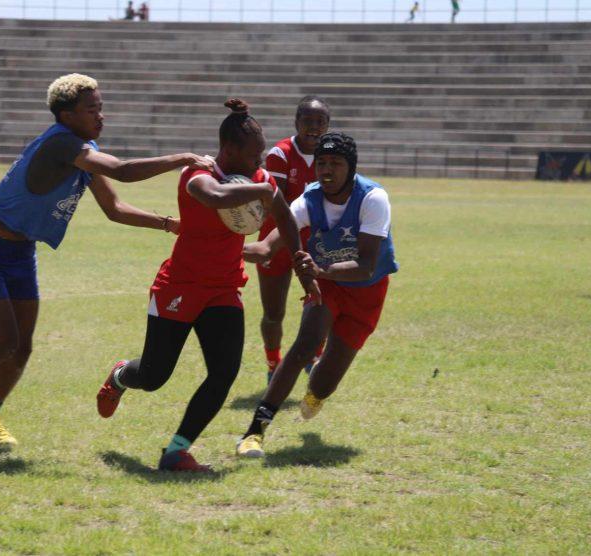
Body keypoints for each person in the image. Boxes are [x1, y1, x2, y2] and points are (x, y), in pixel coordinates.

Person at [0, 73, 213, 448]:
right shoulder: (63, 143)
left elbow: (114, 208)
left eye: (101, 107)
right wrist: (182, 158)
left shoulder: (84, 149)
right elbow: (122, 171)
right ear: (67, 115)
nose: (101, 115)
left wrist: (169, 224)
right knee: (4, 345)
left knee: (22, 348)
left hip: (21, 254)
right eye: (92, 109)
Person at [94, 99, 320, 472]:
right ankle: (120, 375)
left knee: (224, 372)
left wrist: (301, 265)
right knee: (153, 376)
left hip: (224, 289)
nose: (259, 163)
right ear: (228, 150)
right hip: (179, 286)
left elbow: (285, 216)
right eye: (253, 156)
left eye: (262, 155)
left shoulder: (259, 180)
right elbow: (214, 196)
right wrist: (263, 193)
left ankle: (176, 451)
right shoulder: (197, 174)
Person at [235, 132, 398, 458]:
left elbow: (366, 266)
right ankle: (254, 432)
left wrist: (320, 270)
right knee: (304, 346)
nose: (326, 169)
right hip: (327, 286)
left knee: (323, 384)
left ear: (351, 167)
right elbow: (266, 247)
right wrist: (217, 244)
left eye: (335, 163)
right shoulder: (308, 200)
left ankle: (317, 391)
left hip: (366, 290)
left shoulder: (373, 198)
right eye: (321, 162)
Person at [258, 96, 330, 385]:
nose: (314, 127)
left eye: (320, 122)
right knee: (274, 314)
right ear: (296, 122)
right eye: (307, 121)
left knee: (320, 306)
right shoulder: (281, 153)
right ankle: (273, 363)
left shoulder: (331, 154)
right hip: (277, 240)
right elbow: (278, 206)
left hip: (316, 244)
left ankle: (314, 359)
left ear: (327, 125)